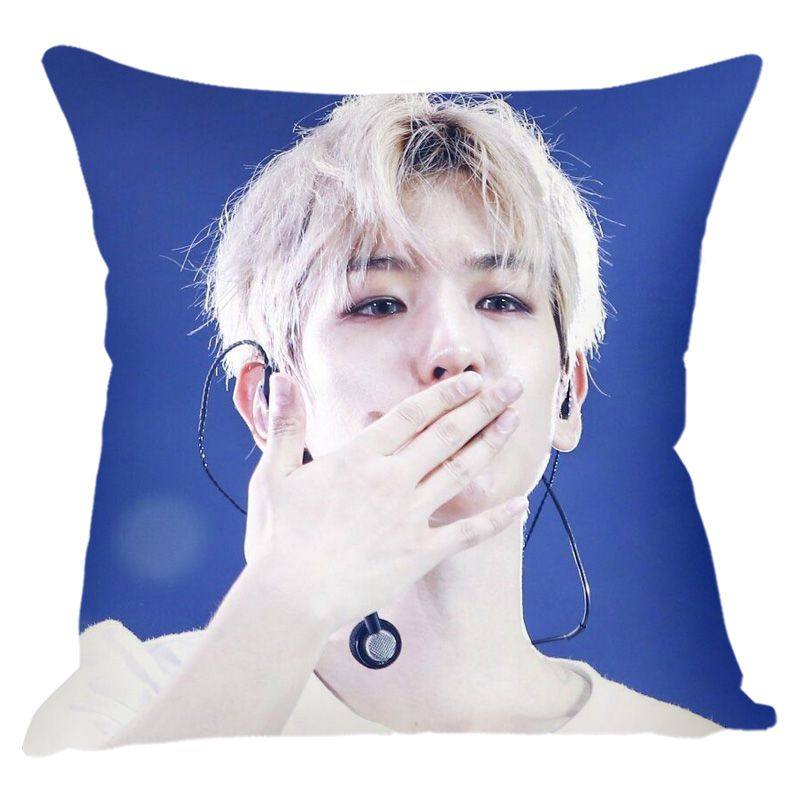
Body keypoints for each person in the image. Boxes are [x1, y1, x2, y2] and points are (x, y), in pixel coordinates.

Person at [24, 93, 720, 755]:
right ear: (266, 401)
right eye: (379, 305)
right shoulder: (125, 695)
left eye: (503, 301)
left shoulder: (687, 751)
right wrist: (284, 602)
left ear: (567, 395)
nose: (453, 350)